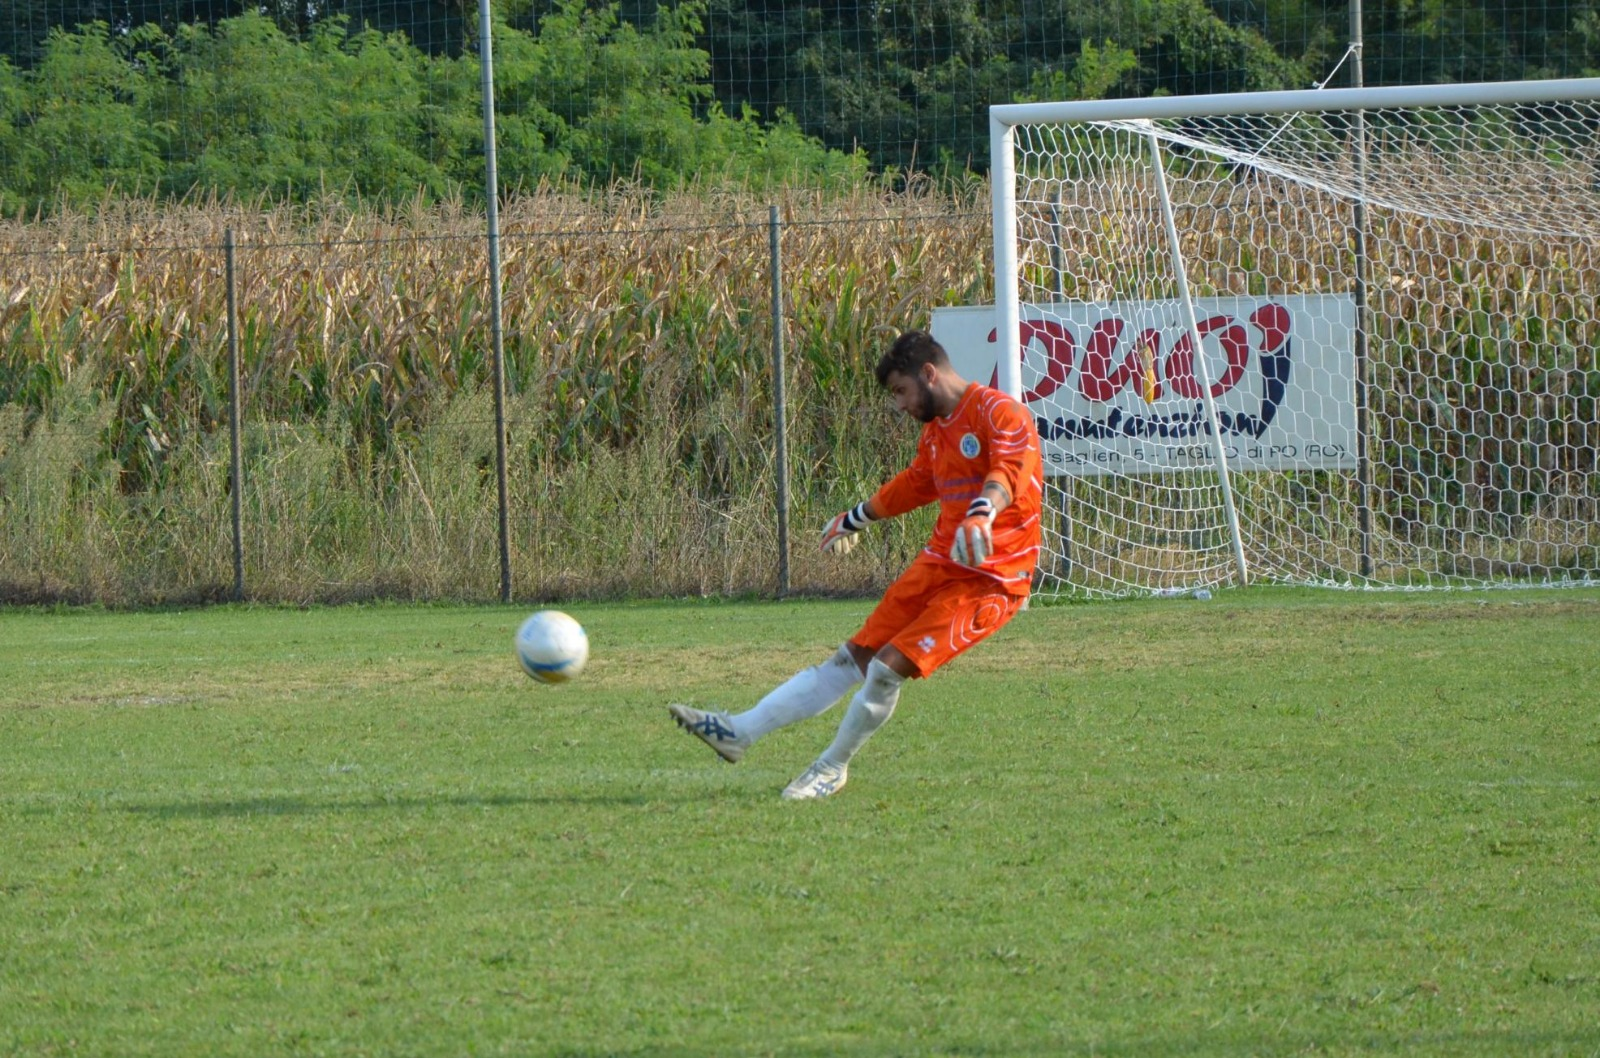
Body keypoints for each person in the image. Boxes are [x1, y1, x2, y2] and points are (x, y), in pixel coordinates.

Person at [668, 329, 1044, 799]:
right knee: (853, 658)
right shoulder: (936, 433)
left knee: (886, 670)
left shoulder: (999, 412)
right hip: (939, 564)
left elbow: (1008, 469)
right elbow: (917, 483)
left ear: (929, 373)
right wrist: (856, 517)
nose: (901, 404)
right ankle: (738, 731)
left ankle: (832, 768)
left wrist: (982, 512)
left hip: (991, 580)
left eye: (901, 391)